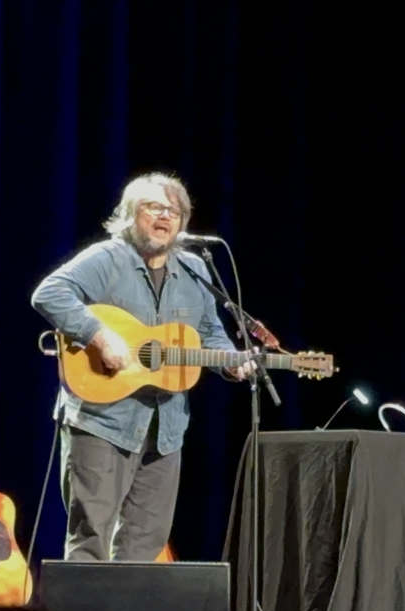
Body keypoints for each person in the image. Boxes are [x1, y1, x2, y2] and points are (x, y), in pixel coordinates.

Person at [31, 172, 254, 562]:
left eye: (173, 210)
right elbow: (48, 293)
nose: (164, 216)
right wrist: (98, 335)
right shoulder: (107, 258)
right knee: (91, 540)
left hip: (166, 430)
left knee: (145, 545)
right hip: (102, 419)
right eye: (153, 207)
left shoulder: (195, 270)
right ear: (130, 215)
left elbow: (209, 332)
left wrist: (231, 363)